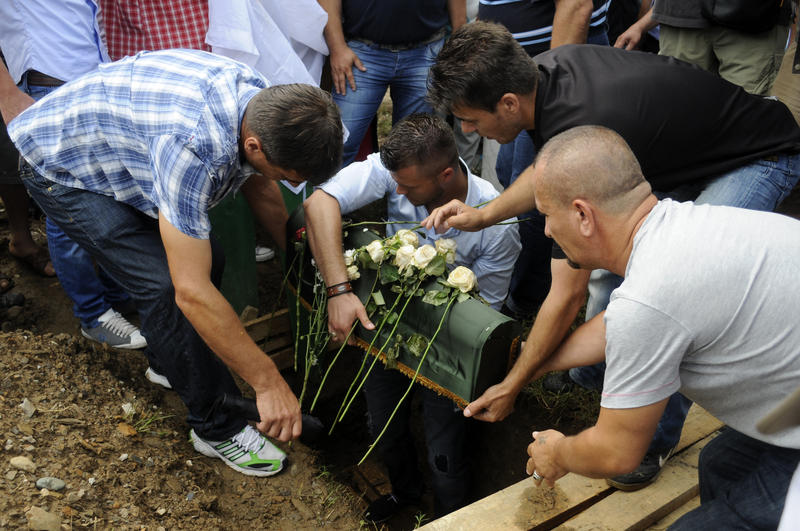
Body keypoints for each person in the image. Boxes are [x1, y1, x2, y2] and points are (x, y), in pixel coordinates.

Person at [424, 20, 800, 490]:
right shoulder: (535, 77)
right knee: (653, 296)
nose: (466, 130)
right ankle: (607, 380)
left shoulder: (579, 117)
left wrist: (515, 383)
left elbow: (568, 295)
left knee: (679, 307)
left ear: (507, 105)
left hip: (757, 154)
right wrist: (486, 214)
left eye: (471, 121)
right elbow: (549, 172)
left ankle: (652, 441)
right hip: (694, 150)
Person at [8, 49, 343, 476]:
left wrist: (306, 275)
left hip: (120, 150)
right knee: (167, 285)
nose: (292, 185)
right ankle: (214, 425)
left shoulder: (266, 103)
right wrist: (268, 383)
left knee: (209, 259)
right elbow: (190, 291)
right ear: (253, 144)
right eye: (290, 175)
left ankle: (169, 362)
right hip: (62, 168)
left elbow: (261, 188)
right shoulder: (194, 147)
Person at [520, 125, 800, 530]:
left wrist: (558, 453)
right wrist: (536, 363)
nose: (546, 230)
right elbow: (619, 323)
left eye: (547, 215)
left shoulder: (650, 298)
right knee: (720, 462)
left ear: (582, 215)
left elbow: (616, 453)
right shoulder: (682, 227)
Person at [304, 113, 520, 522]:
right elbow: (319, 203)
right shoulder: (398, 171)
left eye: (407, 186)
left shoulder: (497, 223)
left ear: (444, 175)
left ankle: (449, 517)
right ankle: (404, 493)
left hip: (448, 348)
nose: (396, 190)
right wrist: (339, 291)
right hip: (386, 327)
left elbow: (487, 312)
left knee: (444, 447)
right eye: (394, 182)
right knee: (382, 422)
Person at [0, 0, 145, 349]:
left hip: (94, 81)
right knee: (66, 205)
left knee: (114, 193)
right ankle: (93, 315)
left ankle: (116, 293)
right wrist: (7, 94)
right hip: (49, 85)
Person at [478, 0, 612, 318]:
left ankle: (527, 298)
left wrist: (549, 86)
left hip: (548, 66)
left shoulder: (551, 95)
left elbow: (576, 5)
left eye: (472, 120)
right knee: (510, 172)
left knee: (545, 197)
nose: (469, 130)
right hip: (520, 66)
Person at [318, 0, 466, 166]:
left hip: (426, 53)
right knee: (340, 146)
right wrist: (337, 48)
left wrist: (458, 44)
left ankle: (402, 192)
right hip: (362, 53)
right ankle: (328, 192)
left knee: (414, 150)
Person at [614, 0, 792, 96]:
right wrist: (643, 24)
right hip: (681, 16)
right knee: (677, 112)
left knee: (745, 122)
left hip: (754, 19)